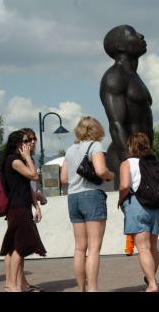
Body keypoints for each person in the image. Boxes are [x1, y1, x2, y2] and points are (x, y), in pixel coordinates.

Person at [60, 116, 114, 292]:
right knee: (94, 248)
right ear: (96, 130)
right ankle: (93, 289)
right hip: (91, 196)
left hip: (73, 198)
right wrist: (110, 175)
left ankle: (80, 288)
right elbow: (100, 170)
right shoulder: (95, 146)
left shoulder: (69, 150)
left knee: (79, 248)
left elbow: (63, 179)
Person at [100, 24, 153, 189]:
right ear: (119, 46)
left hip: (142, 155)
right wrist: (130, 160)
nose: (141, 35)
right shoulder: (114, 77)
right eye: (133, 34)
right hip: (126, 155)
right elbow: (116, 124)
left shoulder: (134, 77)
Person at [0, 130, 47, 292]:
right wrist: (27, 157)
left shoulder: (15, 160)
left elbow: (28, 186)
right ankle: (12, 286)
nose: (29, 144)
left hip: (21, 207)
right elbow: (34, 176)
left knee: (17, 247)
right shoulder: (13, 161)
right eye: (25, 141)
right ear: (17, 143)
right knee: (18, 248)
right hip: (18, 208)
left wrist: (36, 206)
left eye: (30, 141)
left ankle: (17, 285)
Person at [117, 132, 159, 292]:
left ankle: (152, 284)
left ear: (131, 146)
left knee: (143, 248)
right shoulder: (156, 162)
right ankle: (151, 277)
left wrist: (120, 199)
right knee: (152, 247)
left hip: (137, 205)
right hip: (158, 207)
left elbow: (124, 186)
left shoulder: (127, 163)